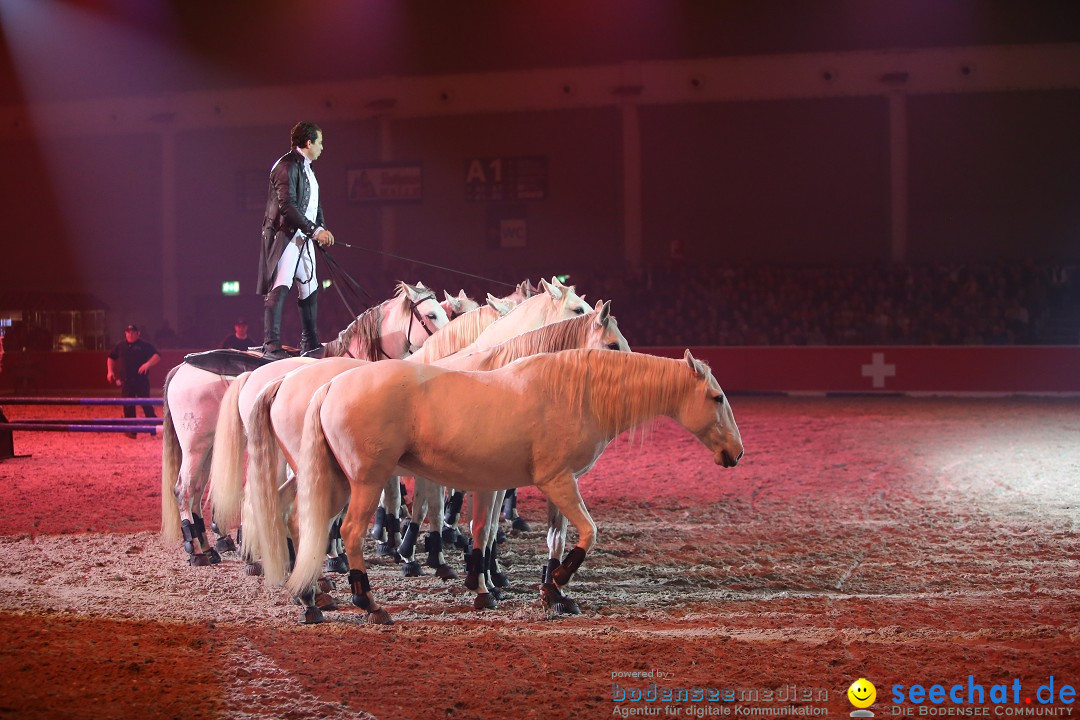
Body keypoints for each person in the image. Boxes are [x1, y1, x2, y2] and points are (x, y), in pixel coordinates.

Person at [257, 121, 335, 359]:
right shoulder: (286, 166)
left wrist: (321, 228)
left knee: (310, 287)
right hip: (286, 236)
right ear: (308, 142)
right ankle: (271, 344)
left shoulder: (309, 169)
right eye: (319, 142)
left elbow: (314, 205)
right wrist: (314, 230)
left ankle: (310, 341)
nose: (322, 147)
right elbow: (287, 205)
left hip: (305, 236)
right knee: (280, 286)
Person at [106, 324, 160, 438]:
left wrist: (148, 364)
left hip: (141, 380)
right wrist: (110, 371)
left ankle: (153, 427)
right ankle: (131, 430)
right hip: (126, 381)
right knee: (128, 405)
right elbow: (111, 357)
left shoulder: (144, 345)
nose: (130, 334)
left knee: (146, 404)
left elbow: (157, 356)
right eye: (128, 332)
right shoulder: (121, 346)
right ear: (125, 333)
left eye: (132, 332)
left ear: (138, 333)